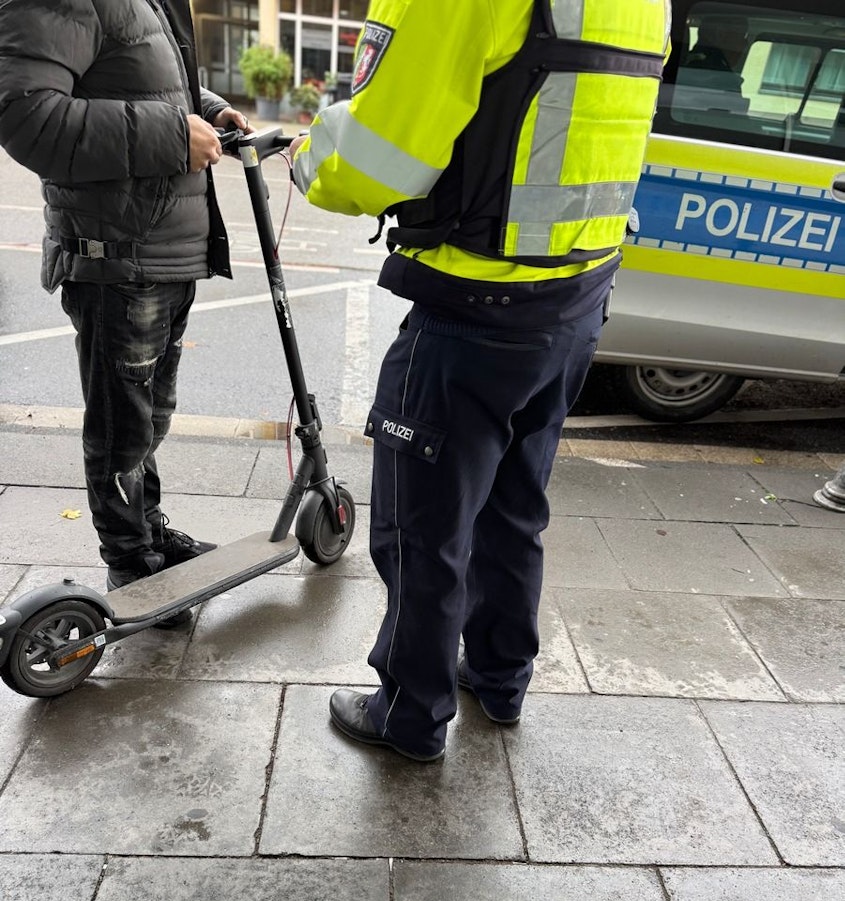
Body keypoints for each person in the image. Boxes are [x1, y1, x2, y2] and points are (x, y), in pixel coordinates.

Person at [290, 0, 670, 761]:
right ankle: (498, 679)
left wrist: (305, 159)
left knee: (423, 533)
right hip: (575, 296)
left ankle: (409, 716)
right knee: (513, 508)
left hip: (473, 308)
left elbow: (375, 162)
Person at [0, 0, 248, 626]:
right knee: (122, 426)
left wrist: (207, 109)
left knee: (146, 419)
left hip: (158, 248)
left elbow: (141, 76)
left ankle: (147, 534)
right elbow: (25, 115)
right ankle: (131, 562)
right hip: (118, 254)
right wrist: (172, 133)